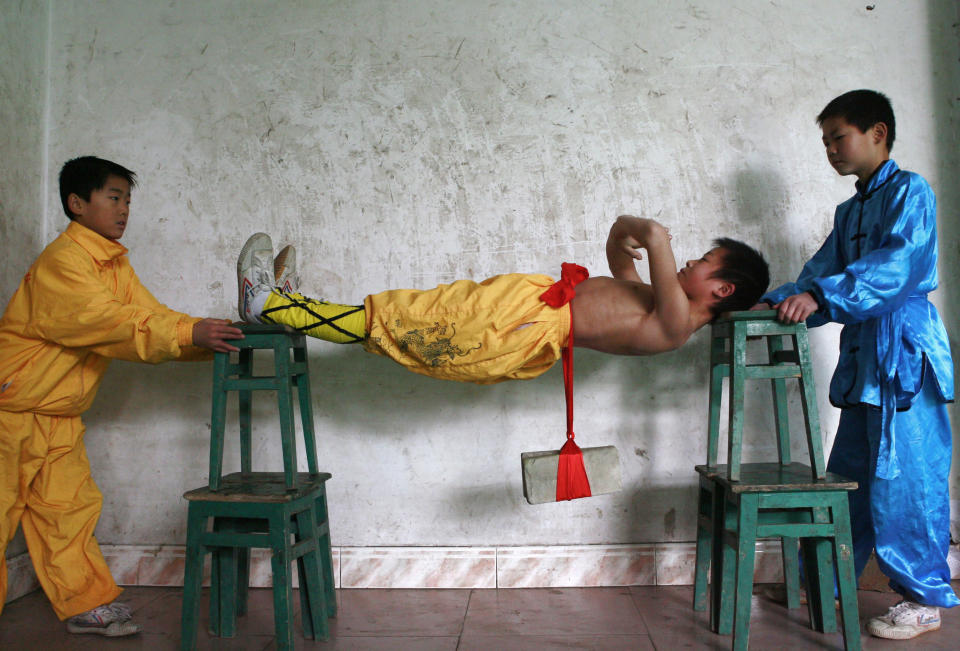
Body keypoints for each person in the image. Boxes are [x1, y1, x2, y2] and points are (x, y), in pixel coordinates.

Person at [0, 156, 244, 636]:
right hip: (11, 411)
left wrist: (209, 339)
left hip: (59, 415)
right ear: (77, 203)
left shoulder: (112, 264)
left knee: (69, 513)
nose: (124, 209)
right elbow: (108, 323)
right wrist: (187, 333)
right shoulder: (64, 263)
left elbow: (149, 316)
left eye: (128, 199)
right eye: (113, 197)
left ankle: (85, 604)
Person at [756, 90, 957, 640]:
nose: (831, 149)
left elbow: (896, 268)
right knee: (849, 478)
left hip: (905, 357)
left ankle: (921, 598)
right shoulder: (851, 211)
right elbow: (820, 272)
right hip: (865, 358)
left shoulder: (912, 192)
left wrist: (821, 298)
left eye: (838, 137)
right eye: (824, 141)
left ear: (878, 134)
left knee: (907, 481)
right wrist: (774, 302)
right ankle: (826, 577)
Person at [237, 215, 770, 383]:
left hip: (517, 326)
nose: (688, 262)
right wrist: (622, 234)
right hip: (520, 306)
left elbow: (652, 234)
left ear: (720, 291)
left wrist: (647, 234)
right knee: (408, 312)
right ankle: (292, 308)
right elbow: (620, 243)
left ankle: (271, 306)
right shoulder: (657, 298)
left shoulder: (675, 323)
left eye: (703, 261)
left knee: (400, 319)